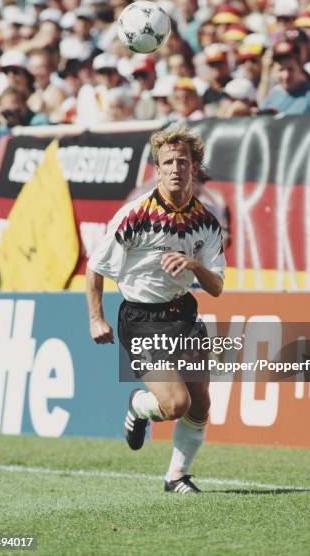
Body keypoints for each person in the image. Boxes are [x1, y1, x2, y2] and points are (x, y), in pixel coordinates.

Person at [86, 125, 226, 494]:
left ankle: (176, 477)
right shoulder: (136, 215)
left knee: (200, 404)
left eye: (183, 161)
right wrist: (96, 318)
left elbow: (218, 288)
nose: (176, 168)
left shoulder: (207, 222)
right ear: (157, 169)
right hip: (142, 320)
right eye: (168, 162)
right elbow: (95, 268)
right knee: (176, 404)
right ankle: (140, 406)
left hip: (183, 316)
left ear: (195, 167)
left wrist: (194, 265)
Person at [262, 40, 310, 114]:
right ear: (273, 71)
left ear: (300, 68)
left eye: (291, 69)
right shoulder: (274, 95)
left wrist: (282, 120)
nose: (286, 75)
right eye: (281, 70)